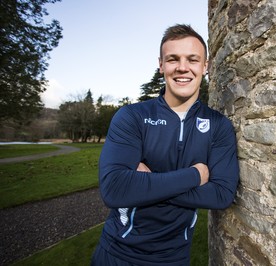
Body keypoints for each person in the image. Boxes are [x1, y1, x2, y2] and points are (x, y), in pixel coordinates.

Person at [91, 24, 239, 266]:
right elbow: (114, 188)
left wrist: (145, 186)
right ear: (161, 65)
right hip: (117, 253)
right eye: (173, 59)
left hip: (174, 258)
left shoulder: (218, 125)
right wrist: (195, 174)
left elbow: (221, 195)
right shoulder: (131, 116)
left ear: (205, 66)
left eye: (192, 59)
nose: (183, 67)